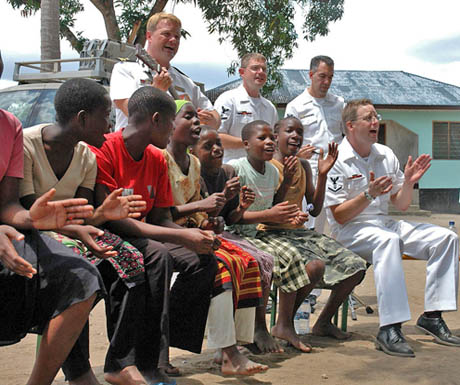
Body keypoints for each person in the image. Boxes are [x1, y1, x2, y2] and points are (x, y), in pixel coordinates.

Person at [18, 78, 150, 385]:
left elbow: (86, 216)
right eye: (105, 115)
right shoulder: (27, 145)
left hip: (73, 231)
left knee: (130, 257)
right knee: (79, 267)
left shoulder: (86, 156)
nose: (110, 124)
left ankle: (120, 362)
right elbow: (27, 212)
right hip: (33, 231)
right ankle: (78, 372)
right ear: (82, 118)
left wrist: (102, 215)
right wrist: (82, 228)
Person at [91, 86, 218, 385]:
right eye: (172, 122)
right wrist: (183, 237)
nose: (174, 129)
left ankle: (160, 342)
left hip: (146, 234)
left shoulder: (156, 158)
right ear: (157, 120)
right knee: (156, 257)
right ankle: (135, 362)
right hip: (109, 234)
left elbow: (160, 216)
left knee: (204, 260)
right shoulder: (105, 150)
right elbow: (117, 222)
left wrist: (194, 236)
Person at [325, 98, 460, 357]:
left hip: (384, 223)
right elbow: (339, 216)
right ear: (350, 126)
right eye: (368, 118)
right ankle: (389, 327)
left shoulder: (385, 154)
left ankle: (432, 316)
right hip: (351, 230)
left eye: (376, 116)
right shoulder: (337, 159)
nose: (375, 122)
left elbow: (402, 204)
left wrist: (408, 182)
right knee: (388, 241)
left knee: (445, 238)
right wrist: (368, 194)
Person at [227, 120, 366, 352]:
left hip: (297, 232)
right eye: (287, 131)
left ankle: (320, 322)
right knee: (310, 266)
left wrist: (322, 175)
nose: (294, 136)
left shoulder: (302, 165)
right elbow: (267, 211)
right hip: (269, 232)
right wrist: (282, 216)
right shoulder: (266, 165)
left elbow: (315, 208)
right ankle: (282, 323)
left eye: (299, 132)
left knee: (356, 266)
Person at [163, 100, 267, 375]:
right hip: (168, 233)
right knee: (219, 266)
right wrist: (201, 209)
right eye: (189, 117)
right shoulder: (160, 158)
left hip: (193, 232)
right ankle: (229, 352)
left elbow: (200, 205)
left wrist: (211, 219)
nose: (196, 122)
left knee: (248, 261)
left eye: (198, 118)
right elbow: (159, 214)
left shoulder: (193, 163)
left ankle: (234, 345)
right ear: (169, 123)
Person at [192, 126, 281, 354]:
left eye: (219, 145)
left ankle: (249, 333)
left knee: (259, 260)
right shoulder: (195, 175)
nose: (216, 150)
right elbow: (205, 217)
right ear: (193, 151)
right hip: (200, 233)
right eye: (207, 146)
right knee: (234, 264)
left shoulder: (228, 173)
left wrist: (240, 205)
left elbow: (231, 217)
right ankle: (228, 342)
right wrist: (224, 199)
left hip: (223, 231)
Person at [110, 12, 220, 131]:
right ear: (149, 36)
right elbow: (131, 113)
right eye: (166, 34)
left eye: (177, 37)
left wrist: (211, 120)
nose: (173, 40)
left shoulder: (185, 81)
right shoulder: (126, 70)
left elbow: (215, 117)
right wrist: (156, 91)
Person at [284, 55, 344, 232]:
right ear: (311, 74)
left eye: (330, 77)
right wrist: (297, 156)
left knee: (340, 216)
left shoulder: (339, 103)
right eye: (322, 76)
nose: (326, 81)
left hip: (337, 164)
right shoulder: (296, 106)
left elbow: (348, 132)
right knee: (312, 219)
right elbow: (287, 142)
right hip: (310, 166)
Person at [214, 53, 278, 163]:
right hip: (233, 169)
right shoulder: (228, 100)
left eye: (264, 69)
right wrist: (251, 144)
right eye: (255, 68)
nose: (261, 72)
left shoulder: (270, 108)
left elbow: (275, 142)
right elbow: (217, 137)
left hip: (263, 171)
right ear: (242, 72)